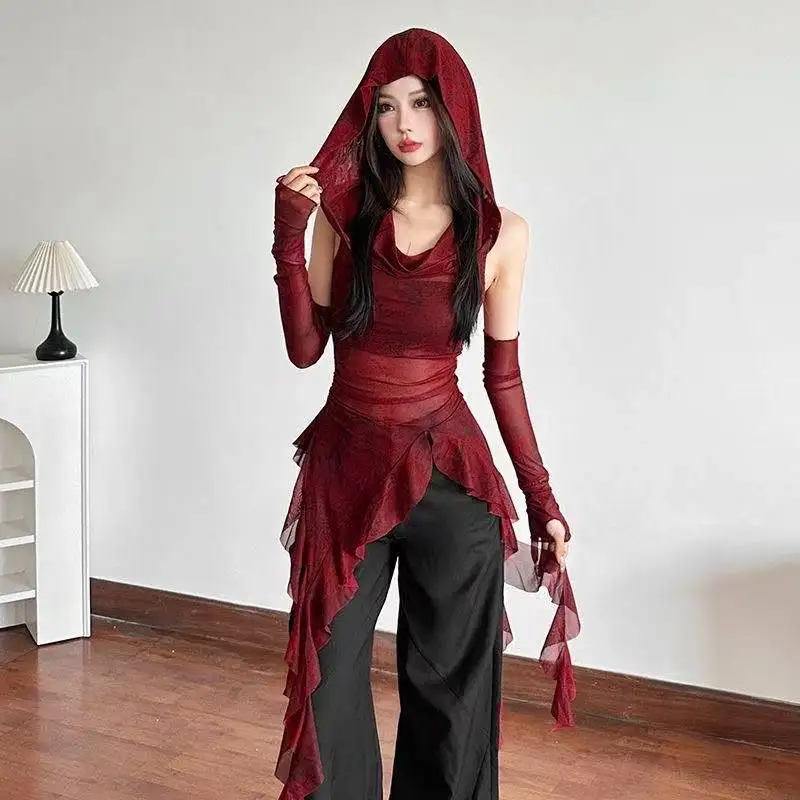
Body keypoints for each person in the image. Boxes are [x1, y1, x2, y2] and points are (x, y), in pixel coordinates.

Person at [271, 27, 580, 800]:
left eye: (421, 103)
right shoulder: (343, 216)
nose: (403, 123)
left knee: (452, 696)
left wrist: (542, 500)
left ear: (455, 111)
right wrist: (287, 236)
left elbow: (503, 377)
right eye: (385, 106)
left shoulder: (502, 234)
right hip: (346, 477)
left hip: (452, 481)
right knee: (327, 682)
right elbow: (306, 351)